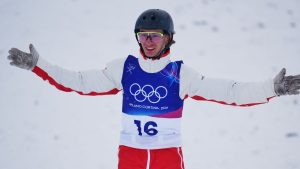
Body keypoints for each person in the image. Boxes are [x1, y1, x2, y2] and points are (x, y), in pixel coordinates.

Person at [7, 9, 300, 169]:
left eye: (155, 36)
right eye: (143, 35)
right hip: (130, 157)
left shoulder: (181, 74)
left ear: (169, 39)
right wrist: (38, 65)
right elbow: (79, 82)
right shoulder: (124, 68)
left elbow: (231, 92)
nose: (148, 41)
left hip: (168, 158)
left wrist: (271, 88)